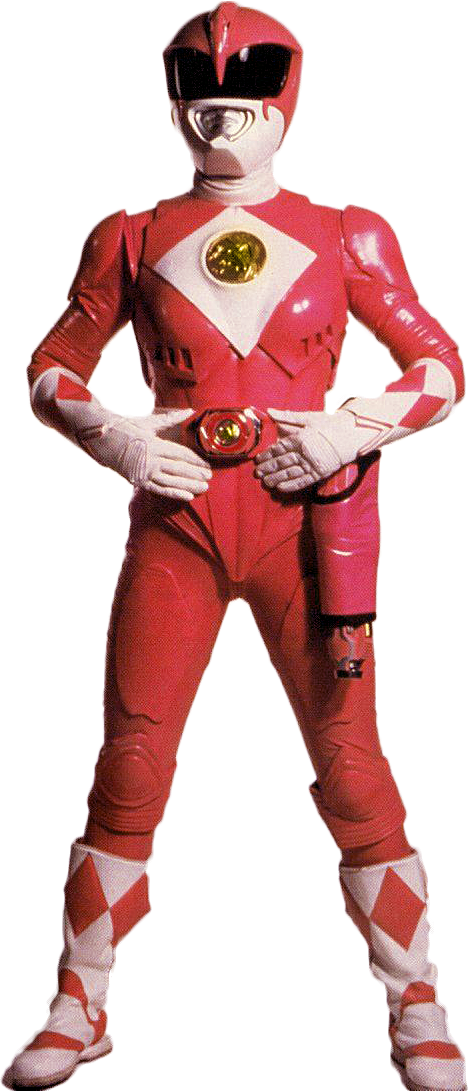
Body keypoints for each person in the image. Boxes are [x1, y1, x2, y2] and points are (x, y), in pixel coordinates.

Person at [12, 4, 465, 1089]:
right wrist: (118, 435)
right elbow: (52, 366)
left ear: (284, 103)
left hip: (304, 522)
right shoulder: (128, 236)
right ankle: (83, 991)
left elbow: (442, 366)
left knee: (350, 759)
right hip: (178, 521)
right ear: (179, 106)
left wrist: (351, 427)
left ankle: (414, 993)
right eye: (204, 102)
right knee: (132, 758)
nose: (222, 121)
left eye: (244, 103)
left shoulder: (351, 234)